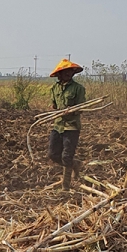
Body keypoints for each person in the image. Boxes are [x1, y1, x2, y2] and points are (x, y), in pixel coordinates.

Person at [48, 59, 87, 191]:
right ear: (59, 74)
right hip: (58, 125)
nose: (68, 74)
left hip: (72, 126)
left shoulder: (78, 89)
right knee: (53, 154)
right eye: (65, 72)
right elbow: (54, 104)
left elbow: (82, 107)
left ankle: (66, 187)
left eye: (70, 71)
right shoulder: (54, 88)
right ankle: (74, 164)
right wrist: (54, 109)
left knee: (66, 156)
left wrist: (71, 109)